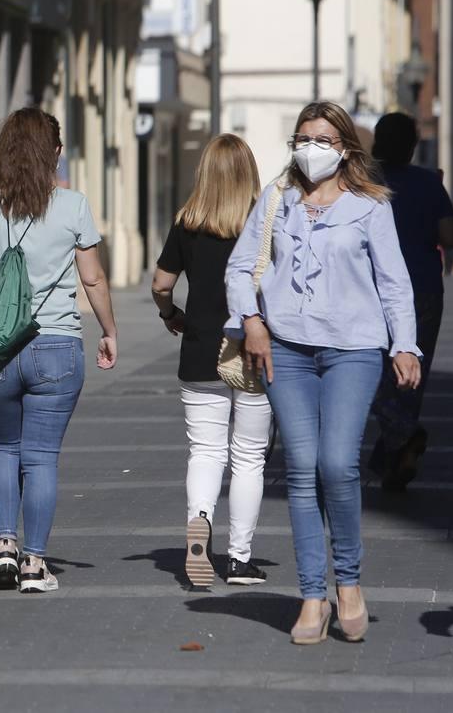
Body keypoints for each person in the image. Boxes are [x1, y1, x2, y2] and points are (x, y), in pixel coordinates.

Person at [228, 101, 421, 645]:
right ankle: (313, 594)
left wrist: (404, 344)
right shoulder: (277, 200)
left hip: (352, 350)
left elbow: (394, 282)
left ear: (344, 148)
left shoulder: (370, 206)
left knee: (337, 464)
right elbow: (242, 266)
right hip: (284, 350)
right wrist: (253, 322)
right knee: (302, 468)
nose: (311, 148)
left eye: (322, 138)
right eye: (302, 138)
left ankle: (350, 582)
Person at [0, 108, 118, 594]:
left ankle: (3, 549)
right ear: (55, 152)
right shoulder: (74, 205)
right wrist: (109, 330)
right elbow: (93, 277)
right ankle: (35, 564)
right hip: (56, 347)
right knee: (40, 458)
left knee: (4, 449)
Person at [151, 135, 272, 588]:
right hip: (253, 348)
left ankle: (199, 523)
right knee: (249, 456)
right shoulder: (264, 223)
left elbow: (161, 284)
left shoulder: (188, 221)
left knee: (205, 450)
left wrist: (171, 315)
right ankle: (239, 559)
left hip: (201, 347)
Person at [366, 112, 453, 489]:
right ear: (412, 145)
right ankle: (404, 442)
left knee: (372, 376)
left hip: (372, 292)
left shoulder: (364, 182)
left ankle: (399, 449)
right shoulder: (426, 183)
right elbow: (451, 237)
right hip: (423, 291)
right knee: (411, 378)